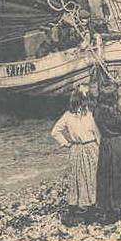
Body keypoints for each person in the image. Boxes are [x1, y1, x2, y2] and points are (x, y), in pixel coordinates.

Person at [50, 87, 100, 225]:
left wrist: (65, 143)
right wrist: (100, 147)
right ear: (85, 100)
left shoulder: (67, 115)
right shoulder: (90, 114)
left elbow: (55, 132)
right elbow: (97, 133)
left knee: (78, 178)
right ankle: (91, 205)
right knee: (92, 176)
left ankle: (77, 206)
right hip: (90, 147)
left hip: (76, 148)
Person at [93, 85, 121, 222]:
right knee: (120, 173)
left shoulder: (97, 113)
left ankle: (105, 204)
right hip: (119, 143)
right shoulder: (119, 115)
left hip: (105, 143)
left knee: (105, 173)